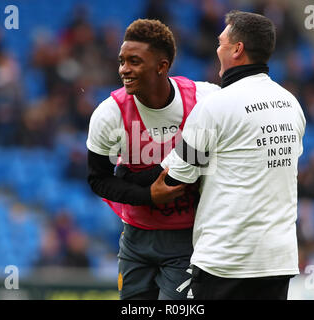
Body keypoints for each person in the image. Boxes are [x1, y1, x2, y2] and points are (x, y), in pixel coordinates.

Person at [118, 11, 306, 300]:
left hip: (225, 262)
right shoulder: (291, 105)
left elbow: (176, 178)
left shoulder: (215, 106)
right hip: (277, 261)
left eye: (221, 43)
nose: (217, 49)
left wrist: (127, 179)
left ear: (237, 49)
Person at [86, 19, 220, 300]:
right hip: (135, 240)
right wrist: (148, 195)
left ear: (162, 66)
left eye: (134, 61)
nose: (124, 69)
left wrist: (132, 177)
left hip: (189, 239)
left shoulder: (205, 100)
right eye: (122, 61)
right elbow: (97, 179)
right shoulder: (108, 114)